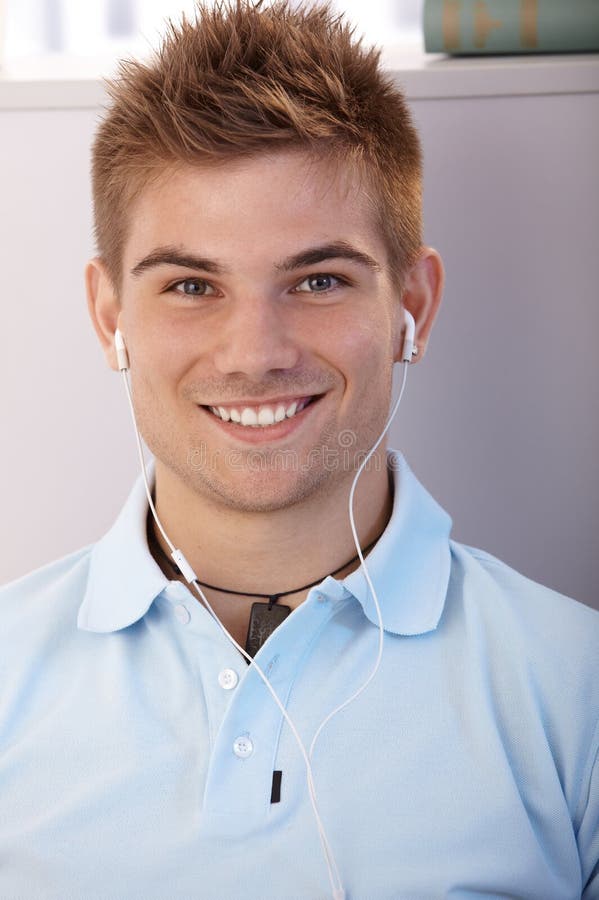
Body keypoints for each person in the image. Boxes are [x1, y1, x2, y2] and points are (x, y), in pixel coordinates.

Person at [1, 2, 598, 898]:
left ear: (414, 306)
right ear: (110, 316)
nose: (256, 353)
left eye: (318, 280)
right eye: (191, 284)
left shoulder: (573, 689)